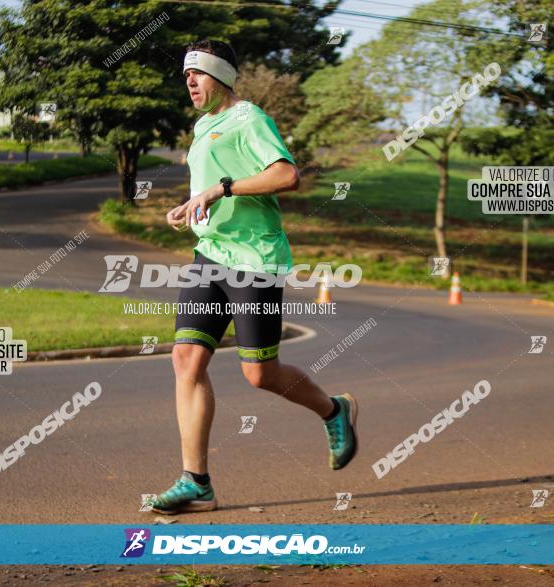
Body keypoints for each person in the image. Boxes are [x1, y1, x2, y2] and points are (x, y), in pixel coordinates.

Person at [150, 40, 358, 515]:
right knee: (185, 359)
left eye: (197, 75)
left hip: (255, 261)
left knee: (259, 373)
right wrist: (191, 206)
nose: (190, 83)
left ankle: (334, 409)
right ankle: (196, 481)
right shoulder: (204, 126)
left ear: (220, 76)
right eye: (186, 77)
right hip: (210, 256)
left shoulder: (249, 118)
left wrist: (222, 188)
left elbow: (286, 176)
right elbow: (212, 188)